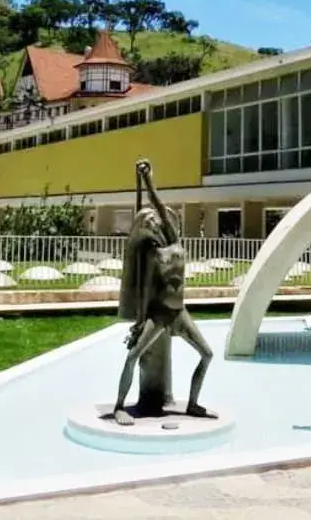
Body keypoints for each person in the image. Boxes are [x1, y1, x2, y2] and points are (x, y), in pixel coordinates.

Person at [112, 159, 216, 426]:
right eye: (155, 222)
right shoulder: (151, 252)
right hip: (158, 313)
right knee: (133, 356)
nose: (160, 223)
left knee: (207, 354)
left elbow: (156, 205)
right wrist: (144, 182)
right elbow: (144, 210)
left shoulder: (176, 242)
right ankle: (119, 407)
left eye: (166, 220)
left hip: (179, 312)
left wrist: (148, 183)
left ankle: (193, 404)